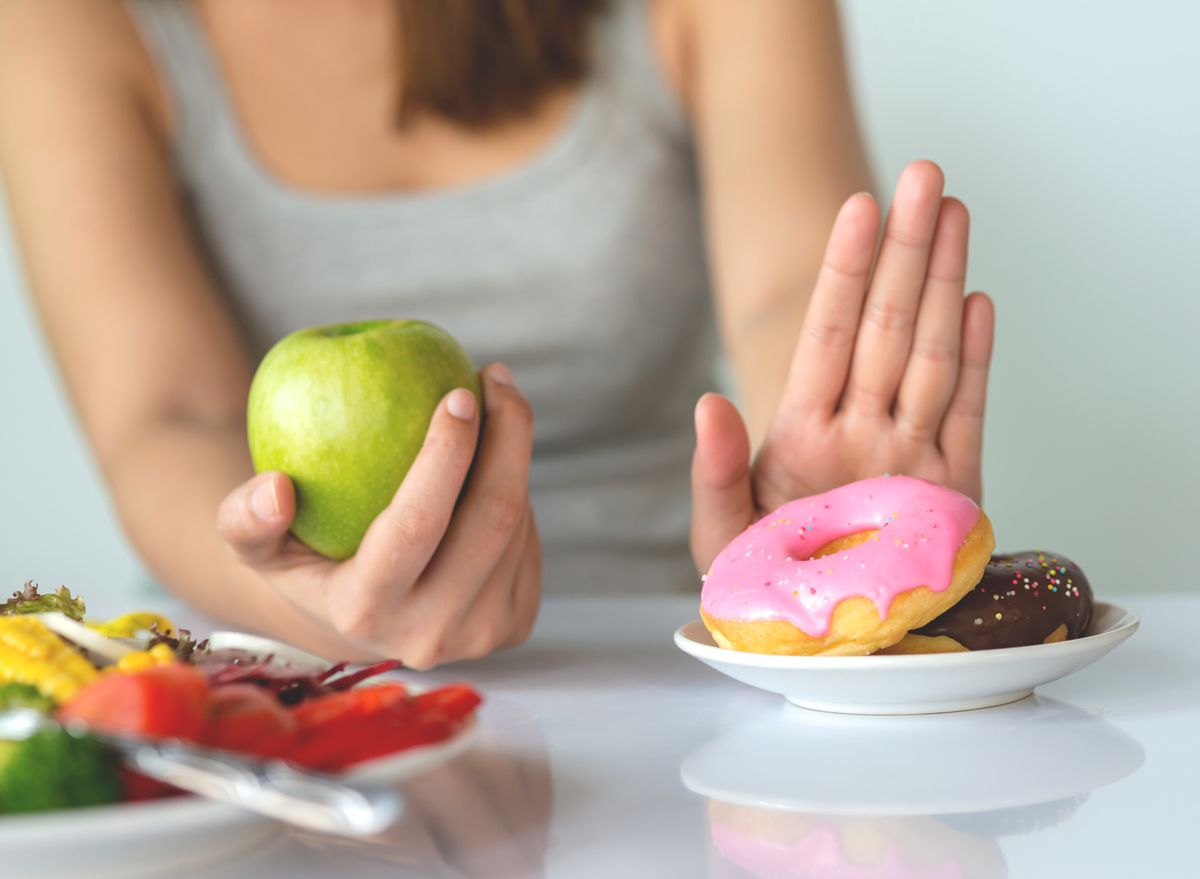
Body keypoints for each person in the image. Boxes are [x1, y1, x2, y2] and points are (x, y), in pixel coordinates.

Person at [0, 0, 992, 667]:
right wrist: (312, 611)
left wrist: (820, 498)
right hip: (275, 697)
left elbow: (789, 291)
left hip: (662, 675)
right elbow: (164, 414)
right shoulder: (65, 26)